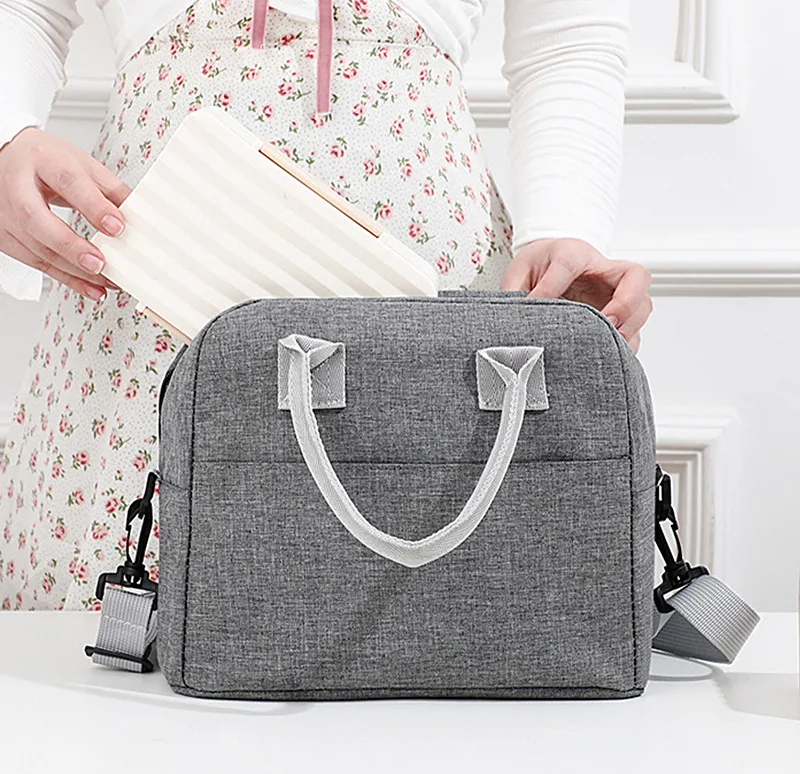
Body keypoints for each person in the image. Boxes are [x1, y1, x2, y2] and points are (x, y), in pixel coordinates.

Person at [0, 0, 651, 611]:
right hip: (160, 261)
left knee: (440, 617)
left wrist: (565, 224)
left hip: (428, 266)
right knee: (128, 628)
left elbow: (568, 38)